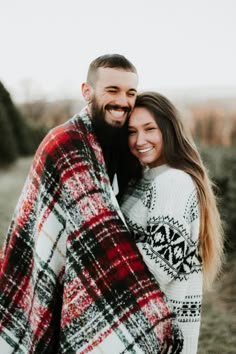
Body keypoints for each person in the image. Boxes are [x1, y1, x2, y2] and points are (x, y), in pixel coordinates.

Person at [0, 56, 183, 353]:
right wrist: (148, 306)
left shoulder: (115, 143)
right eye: (112, 90)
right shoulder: (66, 142)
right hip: (52, 264)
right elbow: (99, 235)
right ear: (87, 91)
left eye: (130, 93)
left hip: (72, 271)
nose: (123, 101)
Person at [120, 91, 224, 354]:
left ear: (169, 130)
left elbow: (159, 267)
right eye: (132, 131)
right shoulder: (146, 177)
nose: (139, 140)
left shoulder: (173, 182)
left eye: (149, 129)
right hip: (143, 329)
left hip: (158, 337)